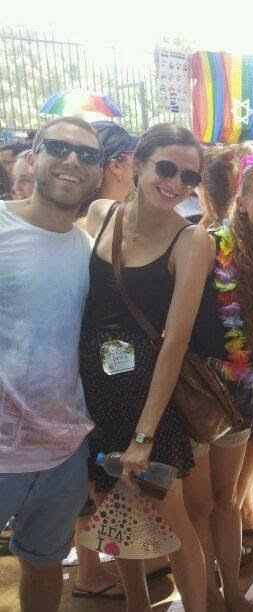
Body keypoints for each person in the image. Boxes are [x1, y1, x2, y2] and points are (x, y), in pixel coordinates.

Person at [80, 123, 212, 612]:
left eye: (189, 175)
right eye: (166, 168)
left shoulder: (193, 241)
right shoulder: (98, 214)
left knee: (168, 517)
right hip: (92, 388)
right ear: (136, 163)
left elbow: (175, 341)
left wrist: (144, 434)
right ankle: (136, 603)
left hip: (148, 397)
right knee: (112, 507)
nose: (176, 182)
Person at [185, 152, 253, 612]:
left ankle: (231, 591)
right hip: (195, 390)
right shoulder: (210, 244)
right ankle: (205, 596)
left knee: (227, 500)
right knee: (199, 509)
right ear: (242, 199)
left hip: (243, 387)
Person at [0, 117, 102, 612]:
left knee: (43, 565)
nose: (73, 161)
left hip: (62, 452)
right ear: (34, 156)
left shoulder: (89, 251)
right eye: (59, 147)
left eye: (87, 154)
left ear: (99, 172)